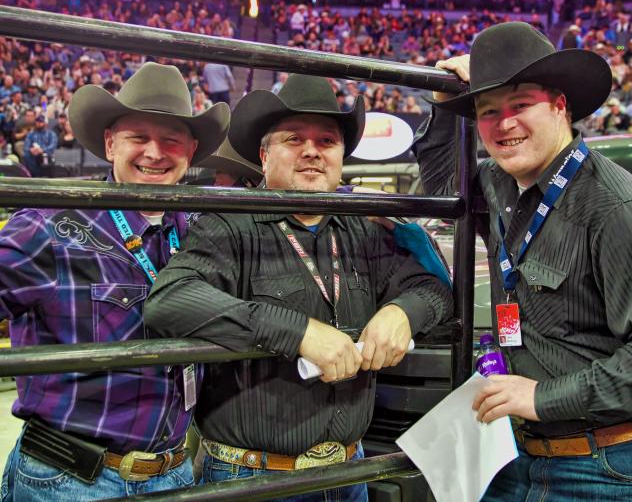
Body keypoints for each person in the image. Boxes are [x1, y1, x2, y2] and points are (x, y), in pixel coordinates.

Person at [413, 22, 632, 501]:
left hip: (613, 467)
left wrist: (541, 397)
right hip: (522, 453)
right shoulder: (502, 185)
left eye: (520, 105)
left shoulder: (617, 210)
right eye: (489, 112)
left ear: (560, 106)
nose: (504, 124)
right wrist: (445, 103)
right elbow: (444, 186)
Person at [144, 74, 453, 500]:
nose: (311, 150)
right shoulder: (228, 224)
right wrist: (299, 333)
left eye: (327, 141)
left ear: (340, 156)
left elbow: (432, 288)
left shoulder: (363, 227)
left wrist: (403, 312)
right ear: (264, 156)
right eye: (294, 139)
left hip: (349, 473)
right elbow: (170, 301)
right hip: (253, 479)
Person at [0, 62, 230, 500]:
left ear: (191, 150)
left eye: (171, 139)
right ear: (110, 144)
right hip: (69, 480)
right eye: (138, 137)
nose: (154, 153)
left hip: (174, 473)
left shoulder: (202, 228)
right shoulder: (49, 225)